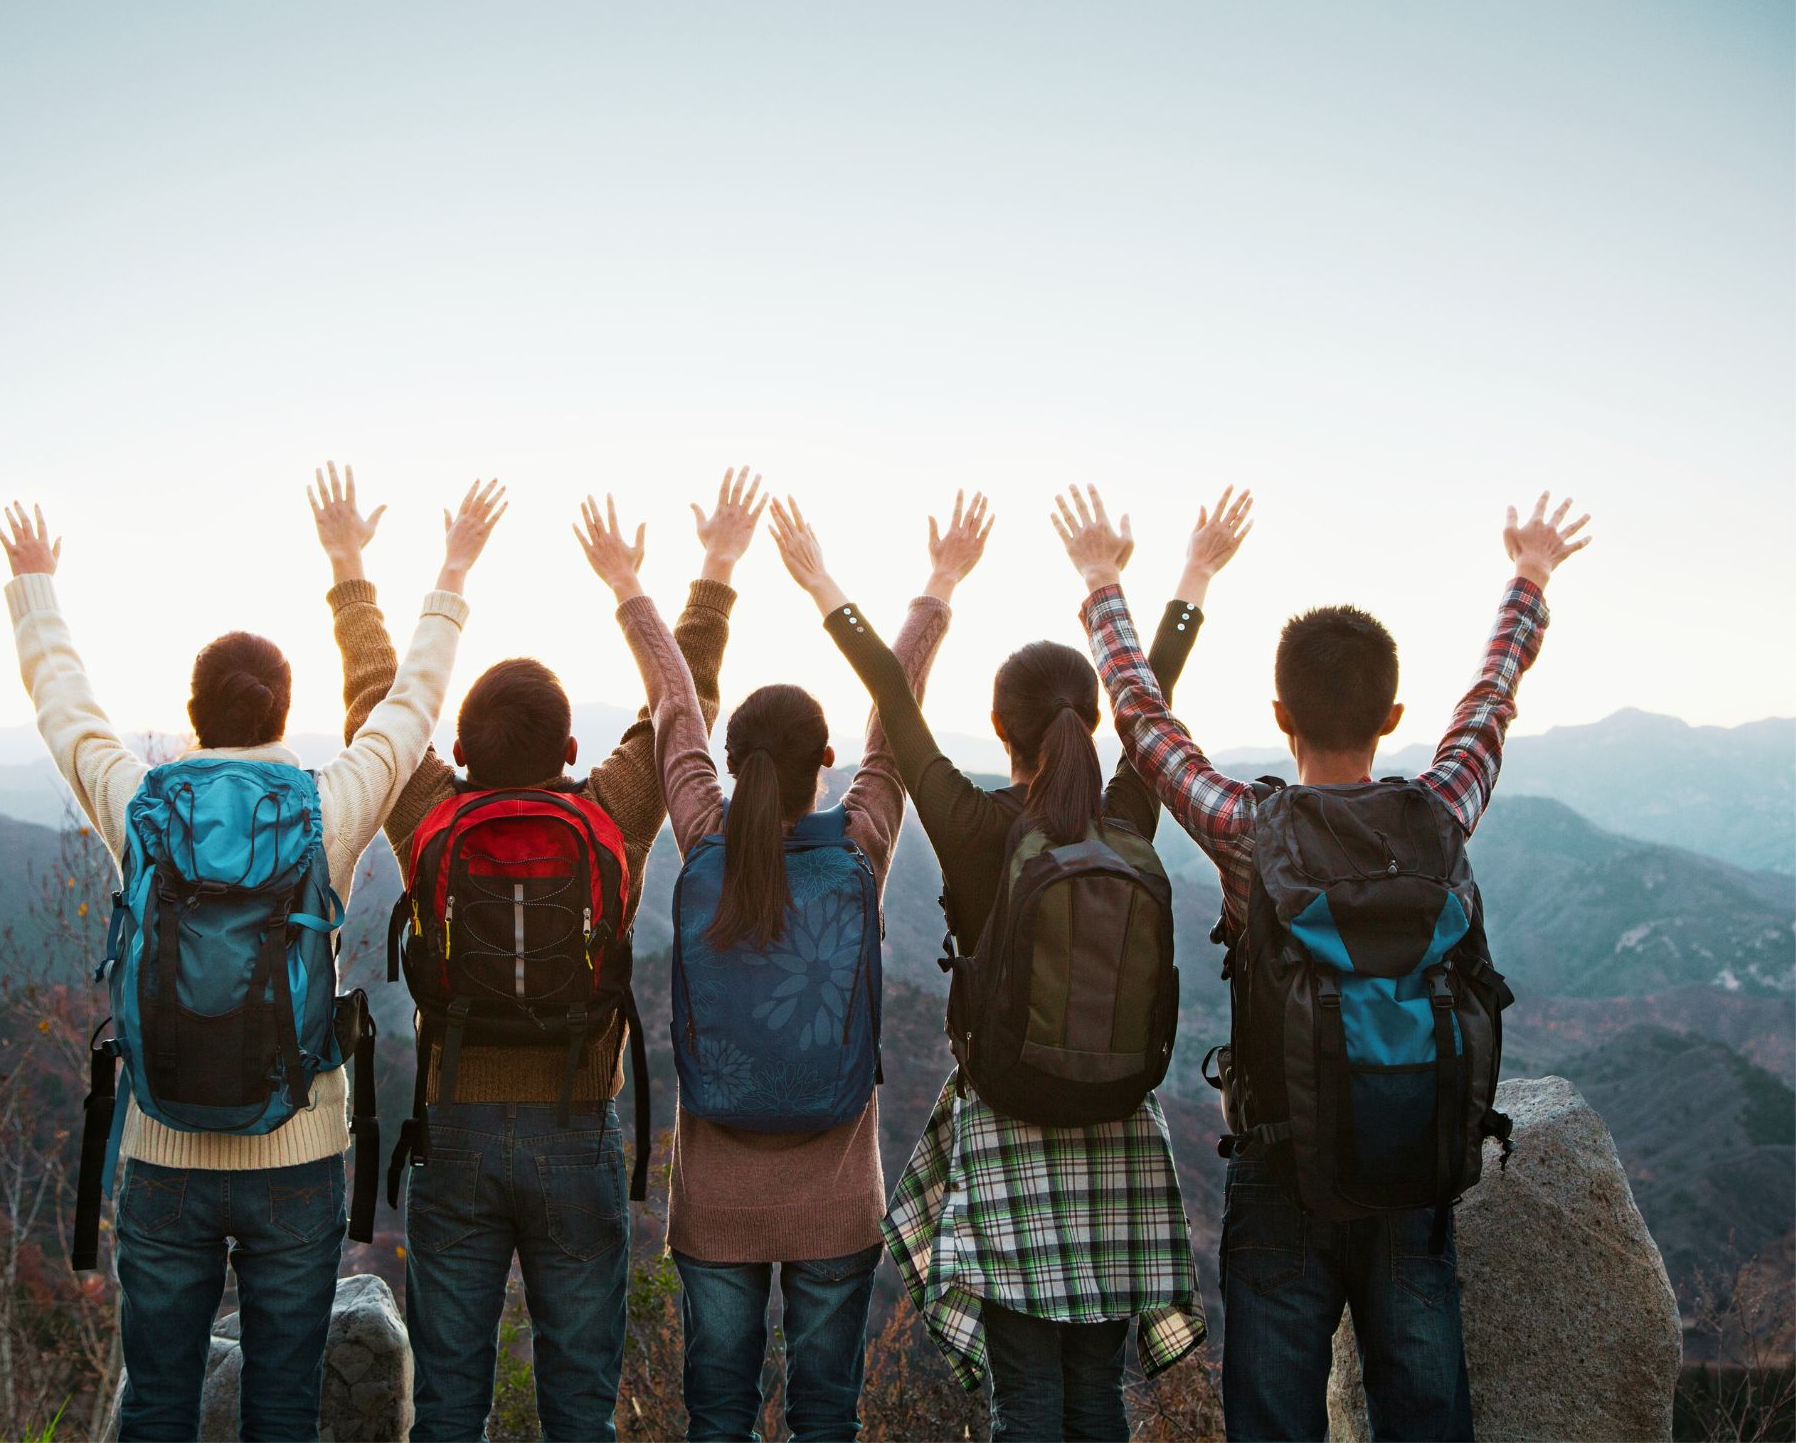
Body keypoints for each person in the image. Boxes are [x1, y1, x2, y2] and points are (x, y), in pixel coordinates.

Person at [1061, 485, 1591, 1442]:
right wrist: (1532, 575)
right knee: (1424, 1417)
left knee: (1275, 1421)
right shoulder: (1441, 812)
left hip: (1282, 1169)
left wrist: (1104, 582)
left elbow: (1143, 724)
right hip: (1414, 1168)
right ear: (1392, 715)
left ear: (1279, 711)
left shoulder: (1249, 832)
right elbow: (1490, 703)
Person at [0, 478, 495, 1442]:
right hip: (299, 1154)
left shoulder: (140, 805)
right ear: (284, 711)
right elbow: (410, 704)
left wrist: (36, 588)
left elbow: (69, 716)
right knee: (279, 1410)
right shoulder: (328, 807)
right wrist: (452, 570)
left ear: (192, 712)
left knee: (157, 1403)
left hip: (163, 1146)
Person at [315, 465, 764, 1442]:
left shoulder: (429, 805)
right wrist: (709, 570)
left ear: (460, 750)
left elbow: (375, 707)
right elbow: (679, 706)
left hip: (457, 1129)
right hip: (576, 1123)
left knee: (446, 1405)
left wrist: (352, 566)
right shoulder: (608, 810)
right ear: (569, 745)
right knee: (576, 1404)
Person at [824, 491, 1247, 1441]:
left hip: (1008, 1132)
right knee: (1096, 1398)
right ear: (1096, 723)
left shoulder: (978, 830)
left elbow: (894, 706)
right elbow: (1157, 704)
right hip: (1119, 1134)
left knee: (1027, 1402)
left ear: (998, 725)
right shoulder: (1126, 818)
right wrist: (1188, 580)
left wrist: (839, 585)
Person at [575, 491, 980, 1443]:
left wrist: (636, 587)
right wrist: (939, 585)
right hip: (837, 1198)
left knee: (716, 1409)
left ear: (732, 761)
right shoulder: (862, 845)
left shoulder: (703, 836)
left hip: (716, 1201)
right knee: (826, 1412)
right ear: (826, 764)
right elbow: (898, 716)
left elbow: (675, 709)